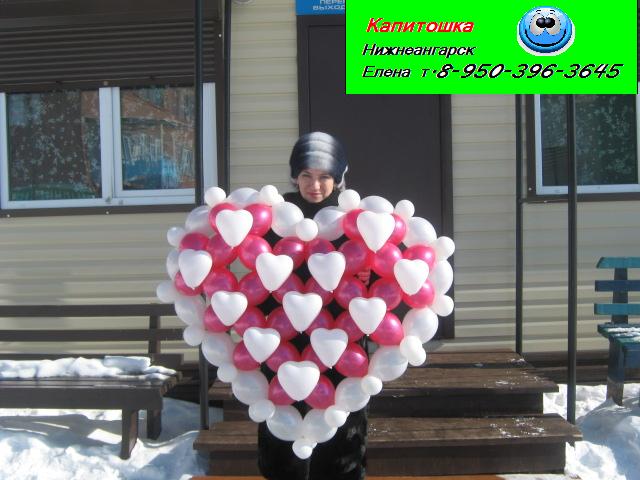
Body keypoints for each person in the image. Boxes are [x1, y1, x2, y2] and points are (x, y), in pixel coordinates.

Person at [258, 132, 368, 480]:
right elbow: (261, 282)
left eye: (324, 176)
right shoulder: (275, 220)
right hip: (286, 340)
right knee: (282, 430)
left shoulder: (353, 222)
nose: (315, 185)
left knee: (340, 426)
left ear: (338, 177)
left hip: (340, 340)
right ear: (294, 176)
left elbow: (382, 278)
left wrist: (367, 278)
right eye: (306, 174)